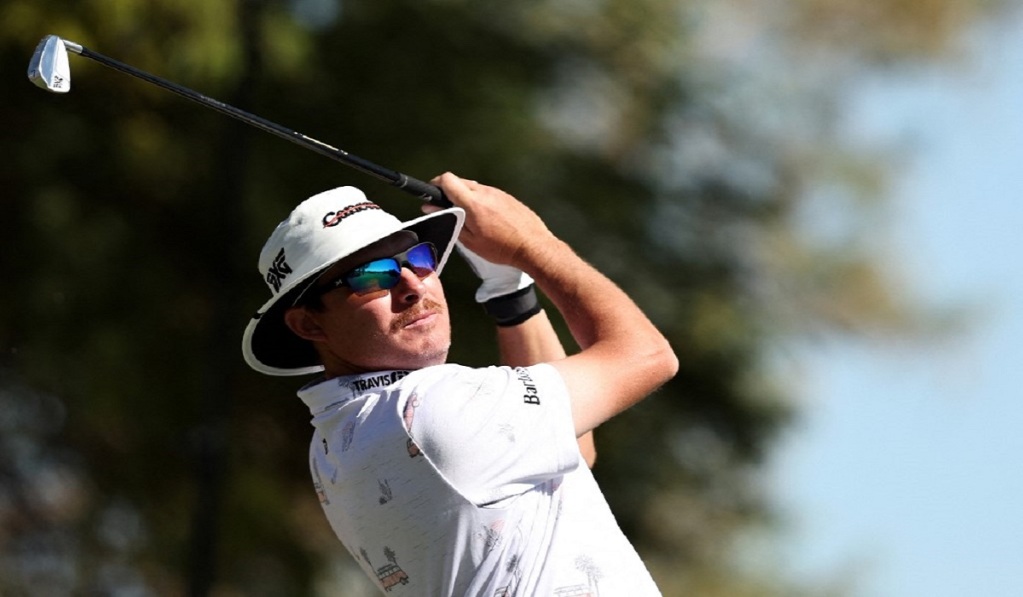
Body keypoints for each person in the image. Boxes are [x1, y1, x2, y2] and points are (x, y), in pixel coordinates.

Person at [241, 173, 678, 595]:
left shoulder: (336, 439)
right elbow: (647, 355)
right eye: (371, 276)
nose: (413, 285)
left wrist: (511, 296)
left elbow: (573, 449)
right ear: (308, 323)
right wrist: (532, 244)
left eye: (418, 259)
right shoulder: (430, 410)